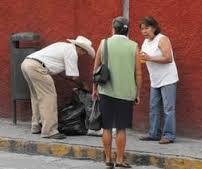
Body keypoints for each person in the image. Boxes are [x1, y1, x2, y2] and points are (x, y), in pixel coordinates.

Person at [21, 36, 95, 139]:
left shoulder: (62, 45)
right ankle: (49, 131)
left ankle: (36, 126)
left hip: (27, 63)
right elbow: (73, 76)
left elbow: (62, 72)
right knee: (48, 98)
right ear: (81, 49)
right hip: (38, 68)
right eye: (85, 52)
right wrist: (83, 85)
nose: (83, 55)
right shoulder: (72, 52)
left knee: (37, 97)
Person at [92, 16, 142, 168]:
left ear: (113, 28)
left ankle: (108, 159)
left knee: (106, 127)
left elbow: (96, 69)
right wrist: (137, 93)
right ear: (127, 30)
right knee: (121, 127)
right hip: (126, 93)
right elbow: (138, 73)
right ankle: (119, 160)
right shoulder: (134, 46)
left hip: (106, 90)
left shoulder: (104, 43)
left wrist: (94, 89)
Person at [138, 16, 179, 144]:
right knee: (154, 107)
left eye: (147, 28)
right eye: (142, 29)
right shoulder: (145, 42)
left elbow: (168, 58)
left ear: (154, 27)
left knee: (168, 108)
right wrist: (142, 58)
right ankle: (154, 133)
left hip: (167, 79)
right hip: (155, 80)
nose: (144, 31)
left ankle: (169, 135)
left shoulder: (162, 39)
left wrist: (149, 58)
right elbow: (146, 58)